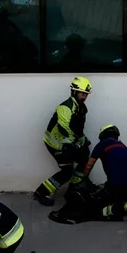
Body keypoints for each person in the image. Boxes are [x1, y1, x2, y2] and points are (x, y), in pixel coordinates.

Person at [51, 124, 127, 224]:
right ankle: (125, 205)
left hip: (115, 184)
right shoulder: (122, 145)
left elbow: (89, 165)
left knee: (93, 204)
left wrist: (83, 178)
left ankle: (123, 207)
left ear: (102, 135)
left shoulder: (102, 144)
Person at [34, 76, 91, 209]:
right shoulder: (66, 107)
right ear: (74, 92)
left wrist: (83, 140)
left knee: (84, 156)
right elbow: (64, 127)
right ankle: (41, 192)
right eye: (82, 93)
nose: (84, 96)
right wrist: (74, 143)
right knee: (67, 171)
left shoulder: (81, 108)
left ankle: (74, 187)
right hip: (55, 143)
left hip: (66, 142)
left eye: (86, 94)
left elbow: (78, 129)